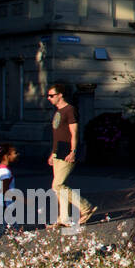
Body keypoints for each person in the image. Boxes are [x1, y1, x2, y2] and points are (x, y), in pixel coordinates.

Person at [47, 83, 95, 229]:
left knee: (58, 185)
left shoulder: (70, 110)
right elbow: (58, 134)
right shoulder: (58, 112)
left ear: (60, 95)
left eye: (52, 95)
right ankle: (64, 218)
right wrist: (52, 153)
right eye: (48, 96)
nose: (49, 98)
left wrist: (73, 151)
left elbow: (74, 133)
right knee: (59, 187)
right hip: (58, 152)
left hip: (67, 151)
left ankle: (86, 207)